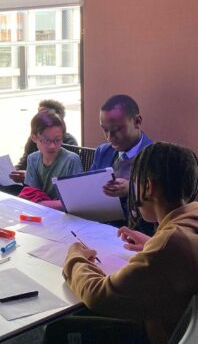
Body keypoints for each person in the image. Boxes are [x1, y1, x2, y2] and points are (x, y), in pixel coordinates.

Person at [50, 142, 198, 344]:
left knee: (59, 329)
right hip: (179, 320)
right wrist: (151, 243)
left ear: (149, 187)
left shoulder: (168, 244)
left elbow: (98, 295)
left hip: (161, 333)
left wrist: (75, 258)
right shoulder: (189, 220)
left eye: (135, 183)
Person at [90, 95, 153, 224]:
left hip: (136, 230)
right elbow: (91, 185)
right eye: (105, 130)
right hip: (99, 224)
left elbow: (165, 201)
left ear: (137, 122)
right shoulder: (103, 152)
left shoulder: (155, 156)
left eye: (117, 129)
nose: (109, 137)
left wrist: (132, 189)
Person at [22, 110, 83, 209]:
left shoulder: (71, 160)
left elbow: (75, 201)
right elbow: (32, 194)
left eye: (57, 140)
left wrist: (41, 204)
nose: (52, 146)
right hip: (41, 212)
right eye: (46, 140)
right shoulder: (32, 159)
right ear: (34, 138)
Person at [10, 99, 78, 183]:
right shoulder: (33, 155)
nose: (52, 146)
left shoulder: (70, 145)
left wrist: (29, 176)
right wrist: (12, 173)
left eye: (57, 140)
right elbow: (24, 162)